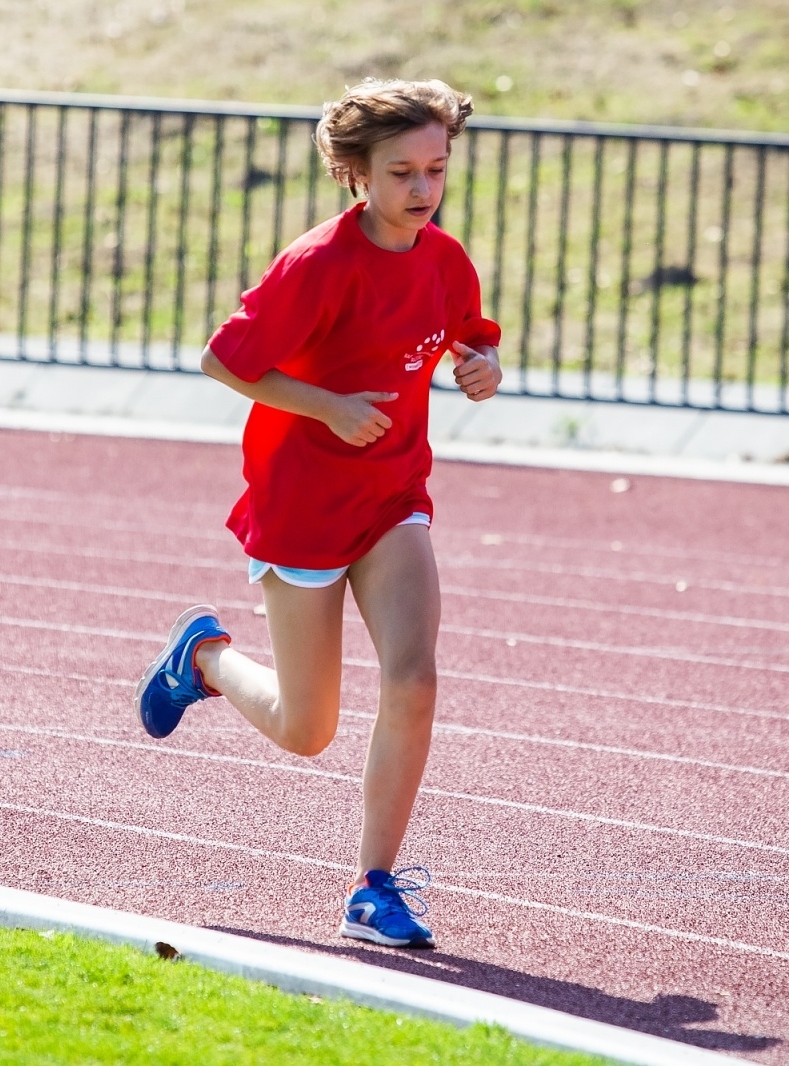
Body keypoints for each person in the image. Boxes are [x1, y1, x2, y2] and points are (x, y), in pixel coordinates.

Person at [135, 78, 501, 950]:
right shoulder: (317, 264)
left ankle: (372, 888)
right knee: (309, 730)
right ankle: (208, 658)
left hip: (392, 495)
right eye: (403, 172)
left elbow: (469, 333)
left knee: (414, 679)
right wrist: (327, 406)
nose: (422, 190)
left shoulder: (445, 258)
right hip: (302, 498)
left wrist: (482, 366)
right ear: (357, 174)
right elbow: (223, 361)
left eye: (435, 170)